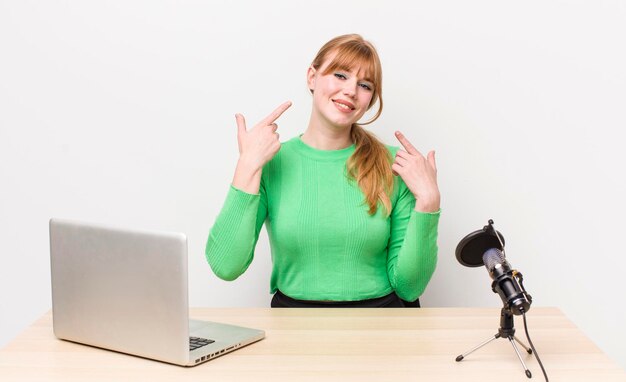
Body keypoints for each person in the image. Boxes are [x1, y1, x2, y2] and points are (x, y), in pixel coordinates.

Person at [206, 34, 440, 307]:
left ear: (370, 99)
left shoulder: (396, 166)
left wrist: (429, 202)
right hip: (294, 321)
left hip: (380, 322)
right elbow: (225, 265)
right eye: (340, 75)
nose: (351, 91)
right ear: (311, 77)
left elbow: (409, 287)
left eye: (364, 85)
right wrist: (247, 165)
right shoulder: (271, 161)